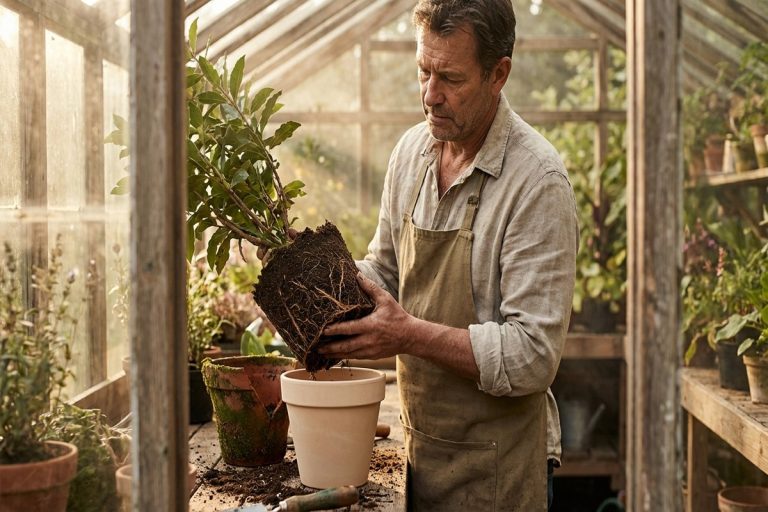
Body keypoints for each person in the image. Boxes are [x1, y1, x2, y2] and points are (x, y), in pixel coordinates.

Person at [318, 1, 578, 510]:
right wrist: (322, 285)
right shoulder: (411, 154)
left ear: (498, 74)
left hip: (497, 471)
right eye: (423, 71)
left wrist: (408, 334)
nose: (430, 95)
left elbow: (532, 356)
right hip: (418, 452)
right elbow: (385, 270)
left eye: (451, 79)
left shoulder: (537, 181)